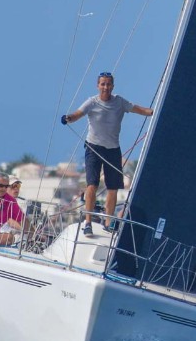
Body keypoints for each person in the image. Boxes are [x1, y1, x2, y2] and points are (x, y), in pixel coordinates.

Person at [61, 71, 153, 236]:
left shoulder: (119, 102)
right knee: (92, 185)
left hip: (113, 149)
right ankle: (88, 222)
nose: (105, 87)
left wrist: (154, 111)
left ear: (112, 86)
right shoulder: (91, 102)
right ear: (98, 86)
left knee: (113, 188)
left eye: (108, 84)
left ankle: (108, 222)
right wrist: (68, 118)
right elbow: (77, 114)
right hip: (93, 148)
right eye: (102, 84)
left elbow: (139, 109)